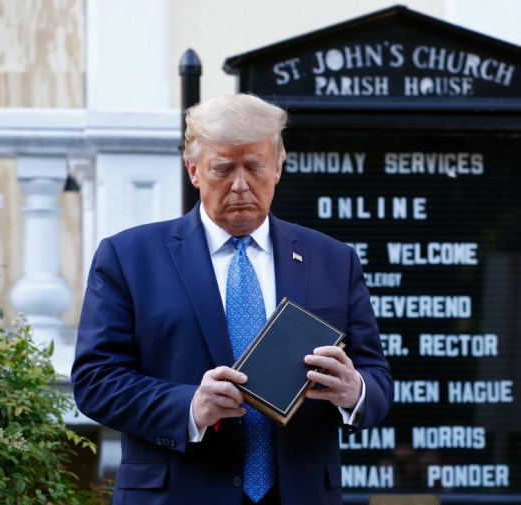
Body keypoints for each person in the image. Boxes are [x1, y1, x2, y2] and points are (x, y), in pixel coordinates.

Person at [72, 93, 393, 505]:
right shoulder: (129, 257)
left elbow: (378, 378)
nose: (240, 184)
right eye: (223, 168)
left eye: (255, 167)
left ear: (278, 167)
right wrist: (189, 405)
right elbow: (95, 380)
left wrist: (355, 391)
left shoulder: (333, 259)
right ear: (193, 170)